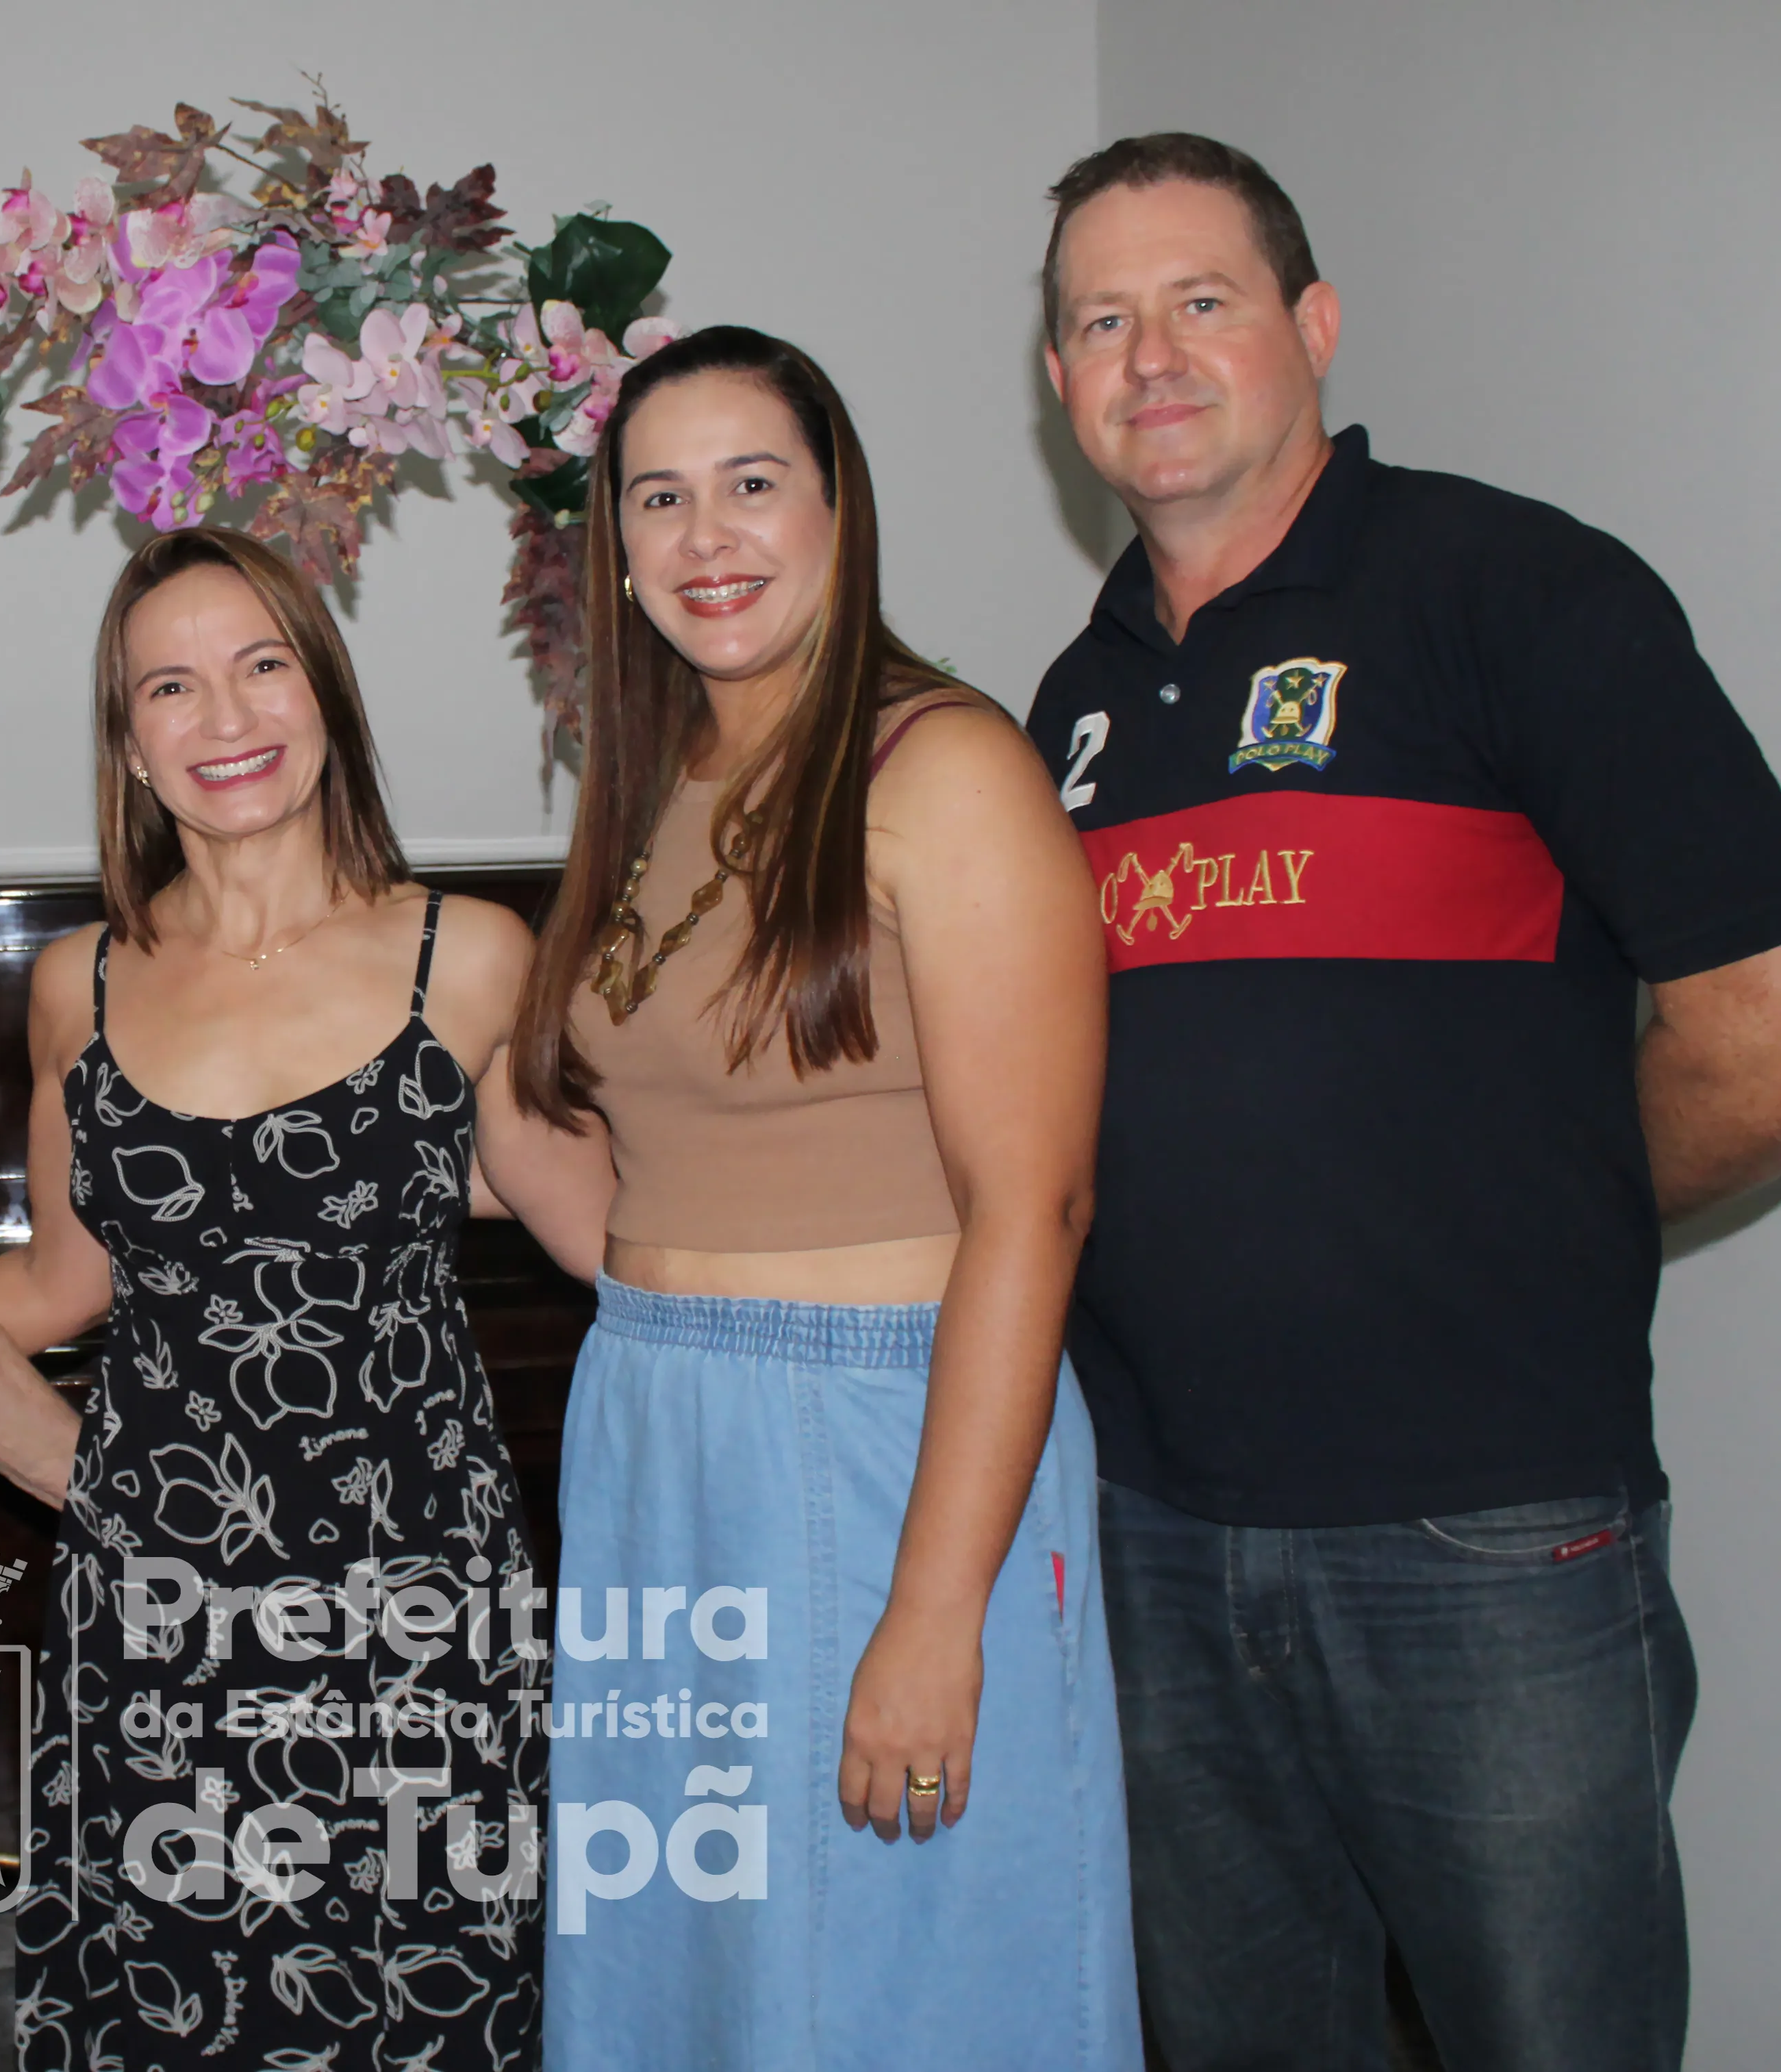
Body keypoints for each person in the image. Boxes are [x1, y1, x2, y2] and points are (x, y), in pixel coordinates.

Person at [1026, 133, 1781, 2072]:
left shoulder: (1510, 588)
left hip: (1482, 1545)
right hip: (1150, 1528)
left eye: (1198, 301)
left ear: (1312, 325)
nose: (1147, 356)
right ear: (1056, 379)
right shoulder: (1066, 707)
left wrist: (1543, 1194)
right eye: (1096, 320)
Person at [512, 325, 1135, 2068]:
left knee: (901, 1981)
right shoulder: (657, 784)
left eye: (751, 483)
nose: (705, 536)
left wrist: (934, 1611)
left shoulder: (940, 768)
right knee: (690, 1966)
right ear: (614, 548)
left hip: (879, 1435)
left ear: (838, 509)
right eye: (658, 498)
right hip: (658, 1432)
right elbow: (624, 1172)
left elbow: (1036, 1207)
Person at [0, 526, 614, 2072]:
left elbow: (621, 1241)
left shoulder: (468, 956)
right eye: (171, 687)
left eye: (262, 664)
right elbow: (56, 1285)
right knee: (175, 2006)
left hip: (412, 1610)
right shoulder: (79, 985)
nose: (225, 715)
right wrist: (65, 1466)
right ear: (129, 740)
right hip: (157, 1622)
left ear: (324, 690)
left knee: (418, 2005)